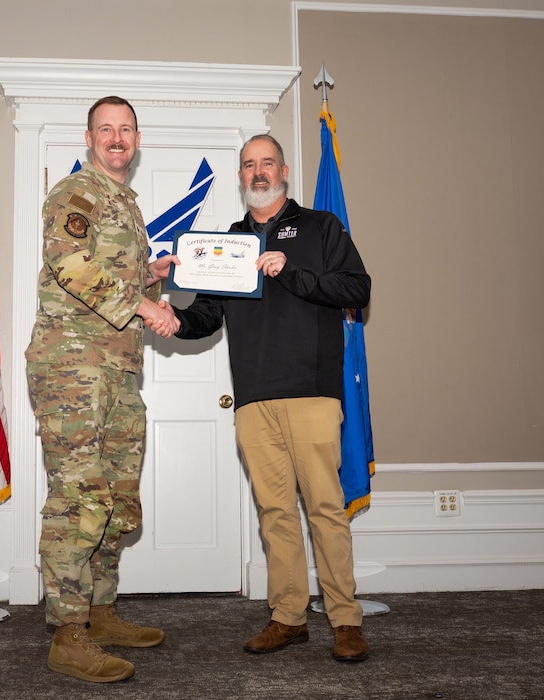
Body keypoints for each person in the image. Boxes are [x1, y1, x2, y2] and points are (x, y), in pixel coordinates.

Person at [169, 133, 371, 662]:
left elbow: (358, 290)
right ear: (241, 177)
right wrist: (169, 316)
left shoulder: (321, 228)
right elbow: (205, 317)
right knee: (274, 512)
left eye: (267, 163)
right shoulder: (228, 244)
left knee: (326, 508)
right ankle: (288, 617)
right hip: (254, 399)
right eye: (248, 165)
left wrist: (293, 272)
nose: (258, 172)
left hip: (312, 393)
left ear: (283, 170)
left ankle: (346, 620)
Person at [25, 95, 180, 684]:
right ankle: (68, 633)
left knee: (117, 493)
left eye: (126, 129)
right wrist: (143, 303)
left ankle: (100, 612)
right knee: (79, 497)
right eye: (106, 129)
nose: (117, 138)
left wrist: (152, 274)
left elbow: (110, 269)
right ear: (89, 138)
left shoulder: (126, 204)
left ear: (136, 139)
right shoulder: (76, 195)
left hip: (117, 368)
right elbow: (72, 267)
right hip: (72, 369)